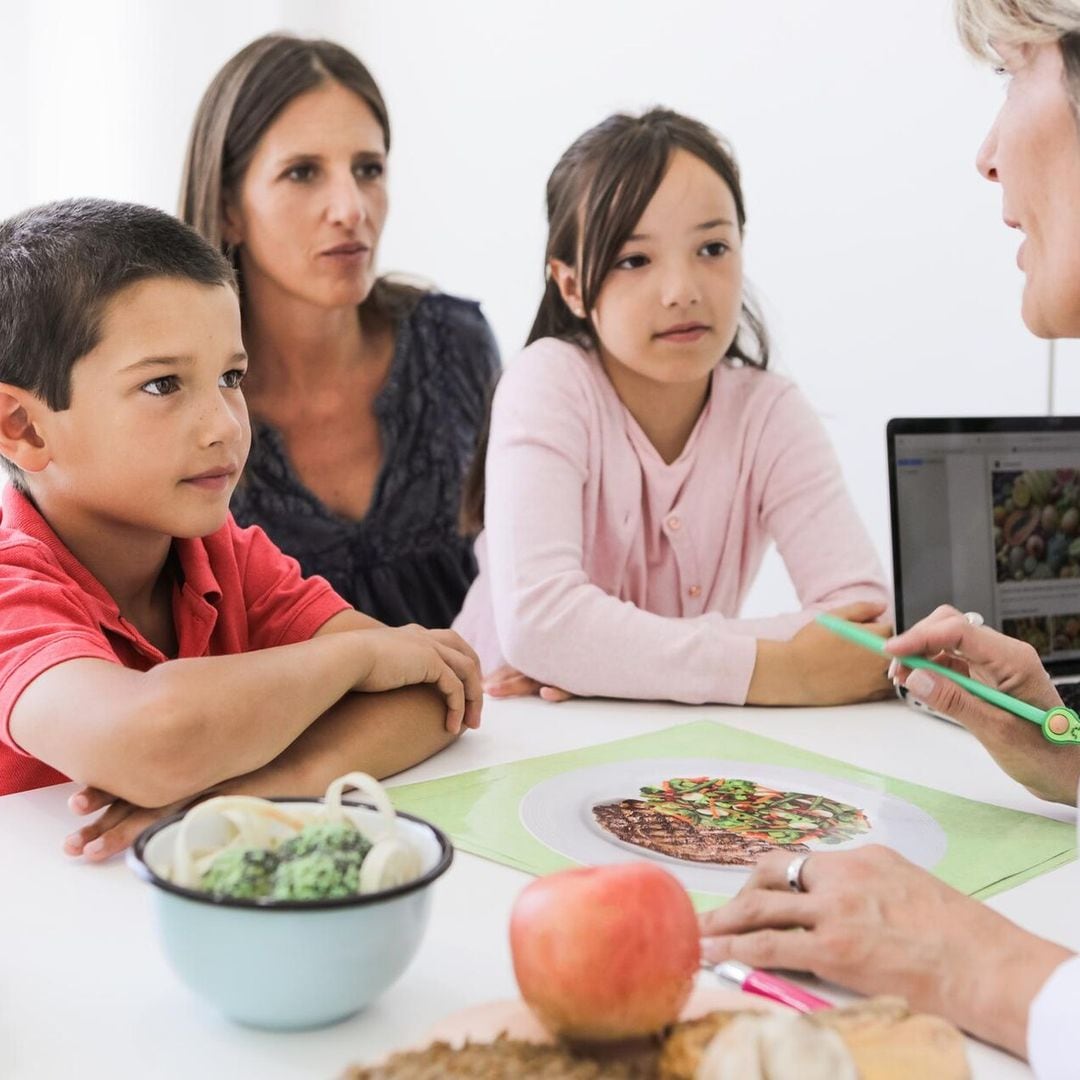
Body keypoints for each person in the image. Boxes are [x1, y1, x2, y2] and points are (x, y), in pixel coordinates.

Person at [701, 3, 1080, 1073]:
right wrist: (1066, 753)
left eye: (1015, 69)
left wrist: (970, 962)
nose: (989, 152)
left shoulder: (766, 406)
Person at [0, 198, 482, 861]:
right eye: (163, 384)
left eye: (231, 376)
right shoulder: (11, 588)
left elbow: (434, 691)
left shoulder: (224, 553)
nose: (226, 424)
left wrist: (259, 793)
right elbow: (153, 741)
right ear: (23, 427)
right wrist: (358, 656)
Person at [453, 109, 891, 706]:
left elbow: (866, 625)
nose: (683, 289)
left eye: (712, 247)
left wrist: (602, 660)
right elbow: (541, 625)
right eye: (635, 260)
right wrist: (789, 669)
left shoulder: (771, 412)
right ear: (572, 285)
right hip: (507, 735)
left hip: (674, 750)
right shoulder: (548, 381)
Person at [180, 34, 500, 628]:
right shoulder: (178, 401)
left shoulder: (456, 345)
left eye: (368, 169)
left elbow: (523, 572)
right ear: (228, 207)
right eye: (303, 173)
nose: (352, 207)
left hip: (500, 718)